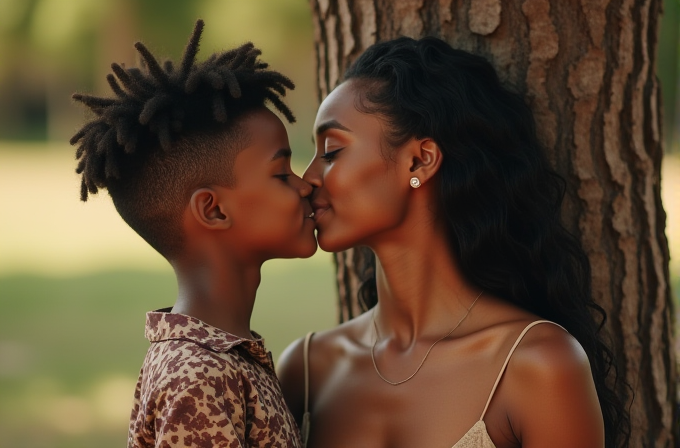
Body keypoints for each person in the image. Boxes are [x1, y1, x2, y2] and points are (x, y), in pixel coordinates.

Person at [277, 37, 629, 448]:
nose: (308, 178)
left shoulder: (536, 364)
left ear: (419, 161)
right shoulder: (306, 369)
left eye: (332, 151)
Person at [70, 20, 316, 448]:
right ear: (214, 209)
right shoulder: (197, 376)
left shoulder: (226, 358)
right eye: (281, 174)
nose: (306, 185)